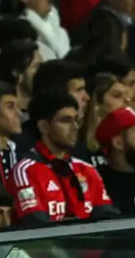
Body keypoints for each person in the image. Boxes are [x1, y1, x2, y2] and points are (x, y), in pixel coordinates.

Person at [10, 92, 115, 223]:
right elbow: (35, 227)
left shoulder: (87, 170)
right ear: (44, 126)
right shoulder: (25, 171)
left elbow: (107, 220)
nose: (75, 127)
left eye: (76, 120)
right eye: (66, 120)